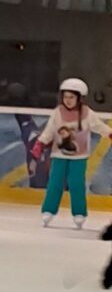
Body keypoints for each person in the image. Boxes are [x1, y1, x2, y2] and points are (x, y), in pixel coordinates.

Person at [35, 76, 103, 228]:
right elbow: (49, 130)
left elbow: (99, 126)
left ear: (79, 98)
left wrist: (110, 134)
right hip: (59, 155)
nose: (68, 100)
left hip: (79, 157)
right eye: (65, 97)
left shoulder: (87, 113)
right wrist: (41, 143)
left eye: (71, 97)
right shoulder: (57, 112)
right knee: (55, 183)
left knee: (77, 184)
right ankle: (49, 210)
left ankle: (79, 213)